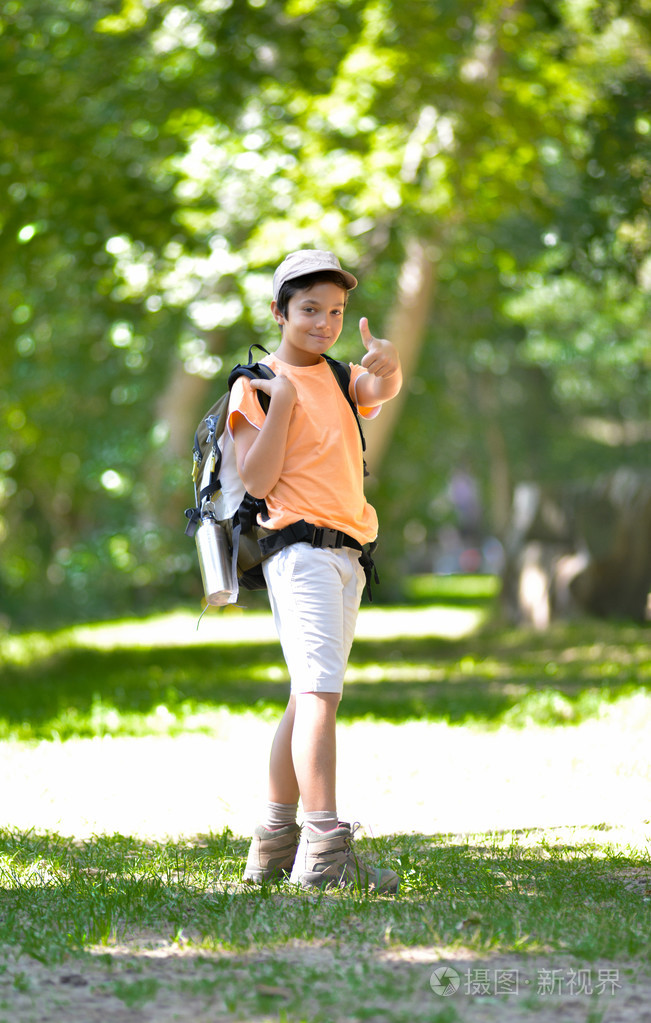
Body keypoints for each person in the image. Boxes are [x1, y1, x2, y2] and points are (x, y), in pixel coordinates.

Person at [228, 249, 403, 893]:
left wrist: (390, 364)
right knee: (320, 698)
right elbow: (256, 479)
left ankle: (274, 844)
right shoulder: (256, 385)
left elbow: (378, 391)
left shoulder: (338, 375)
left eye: (335, 312)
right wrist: (281, 403)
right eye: (309, 310)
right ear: (279, 312)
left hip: (346, 554)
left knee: (306, 695)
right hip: (299, 555)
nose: (324, 324)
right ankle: (325, 849)